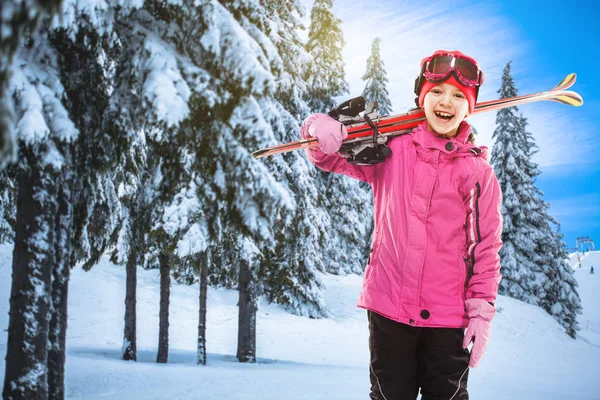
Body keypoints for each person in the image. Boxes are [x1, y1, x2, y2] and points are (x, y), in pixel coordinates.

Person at [300, 50, 503, 399]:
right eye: (437, 91)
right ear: (423, 97)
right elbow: (328, 156)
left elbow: (486, 249)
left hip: (448, 321)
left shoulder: (478, 173)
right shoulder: (392, 150)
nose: (446, 102)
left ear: (469, 107)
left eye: (459, 96)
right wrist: (318, 128)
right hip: (389, 312)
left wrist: (481, 311)